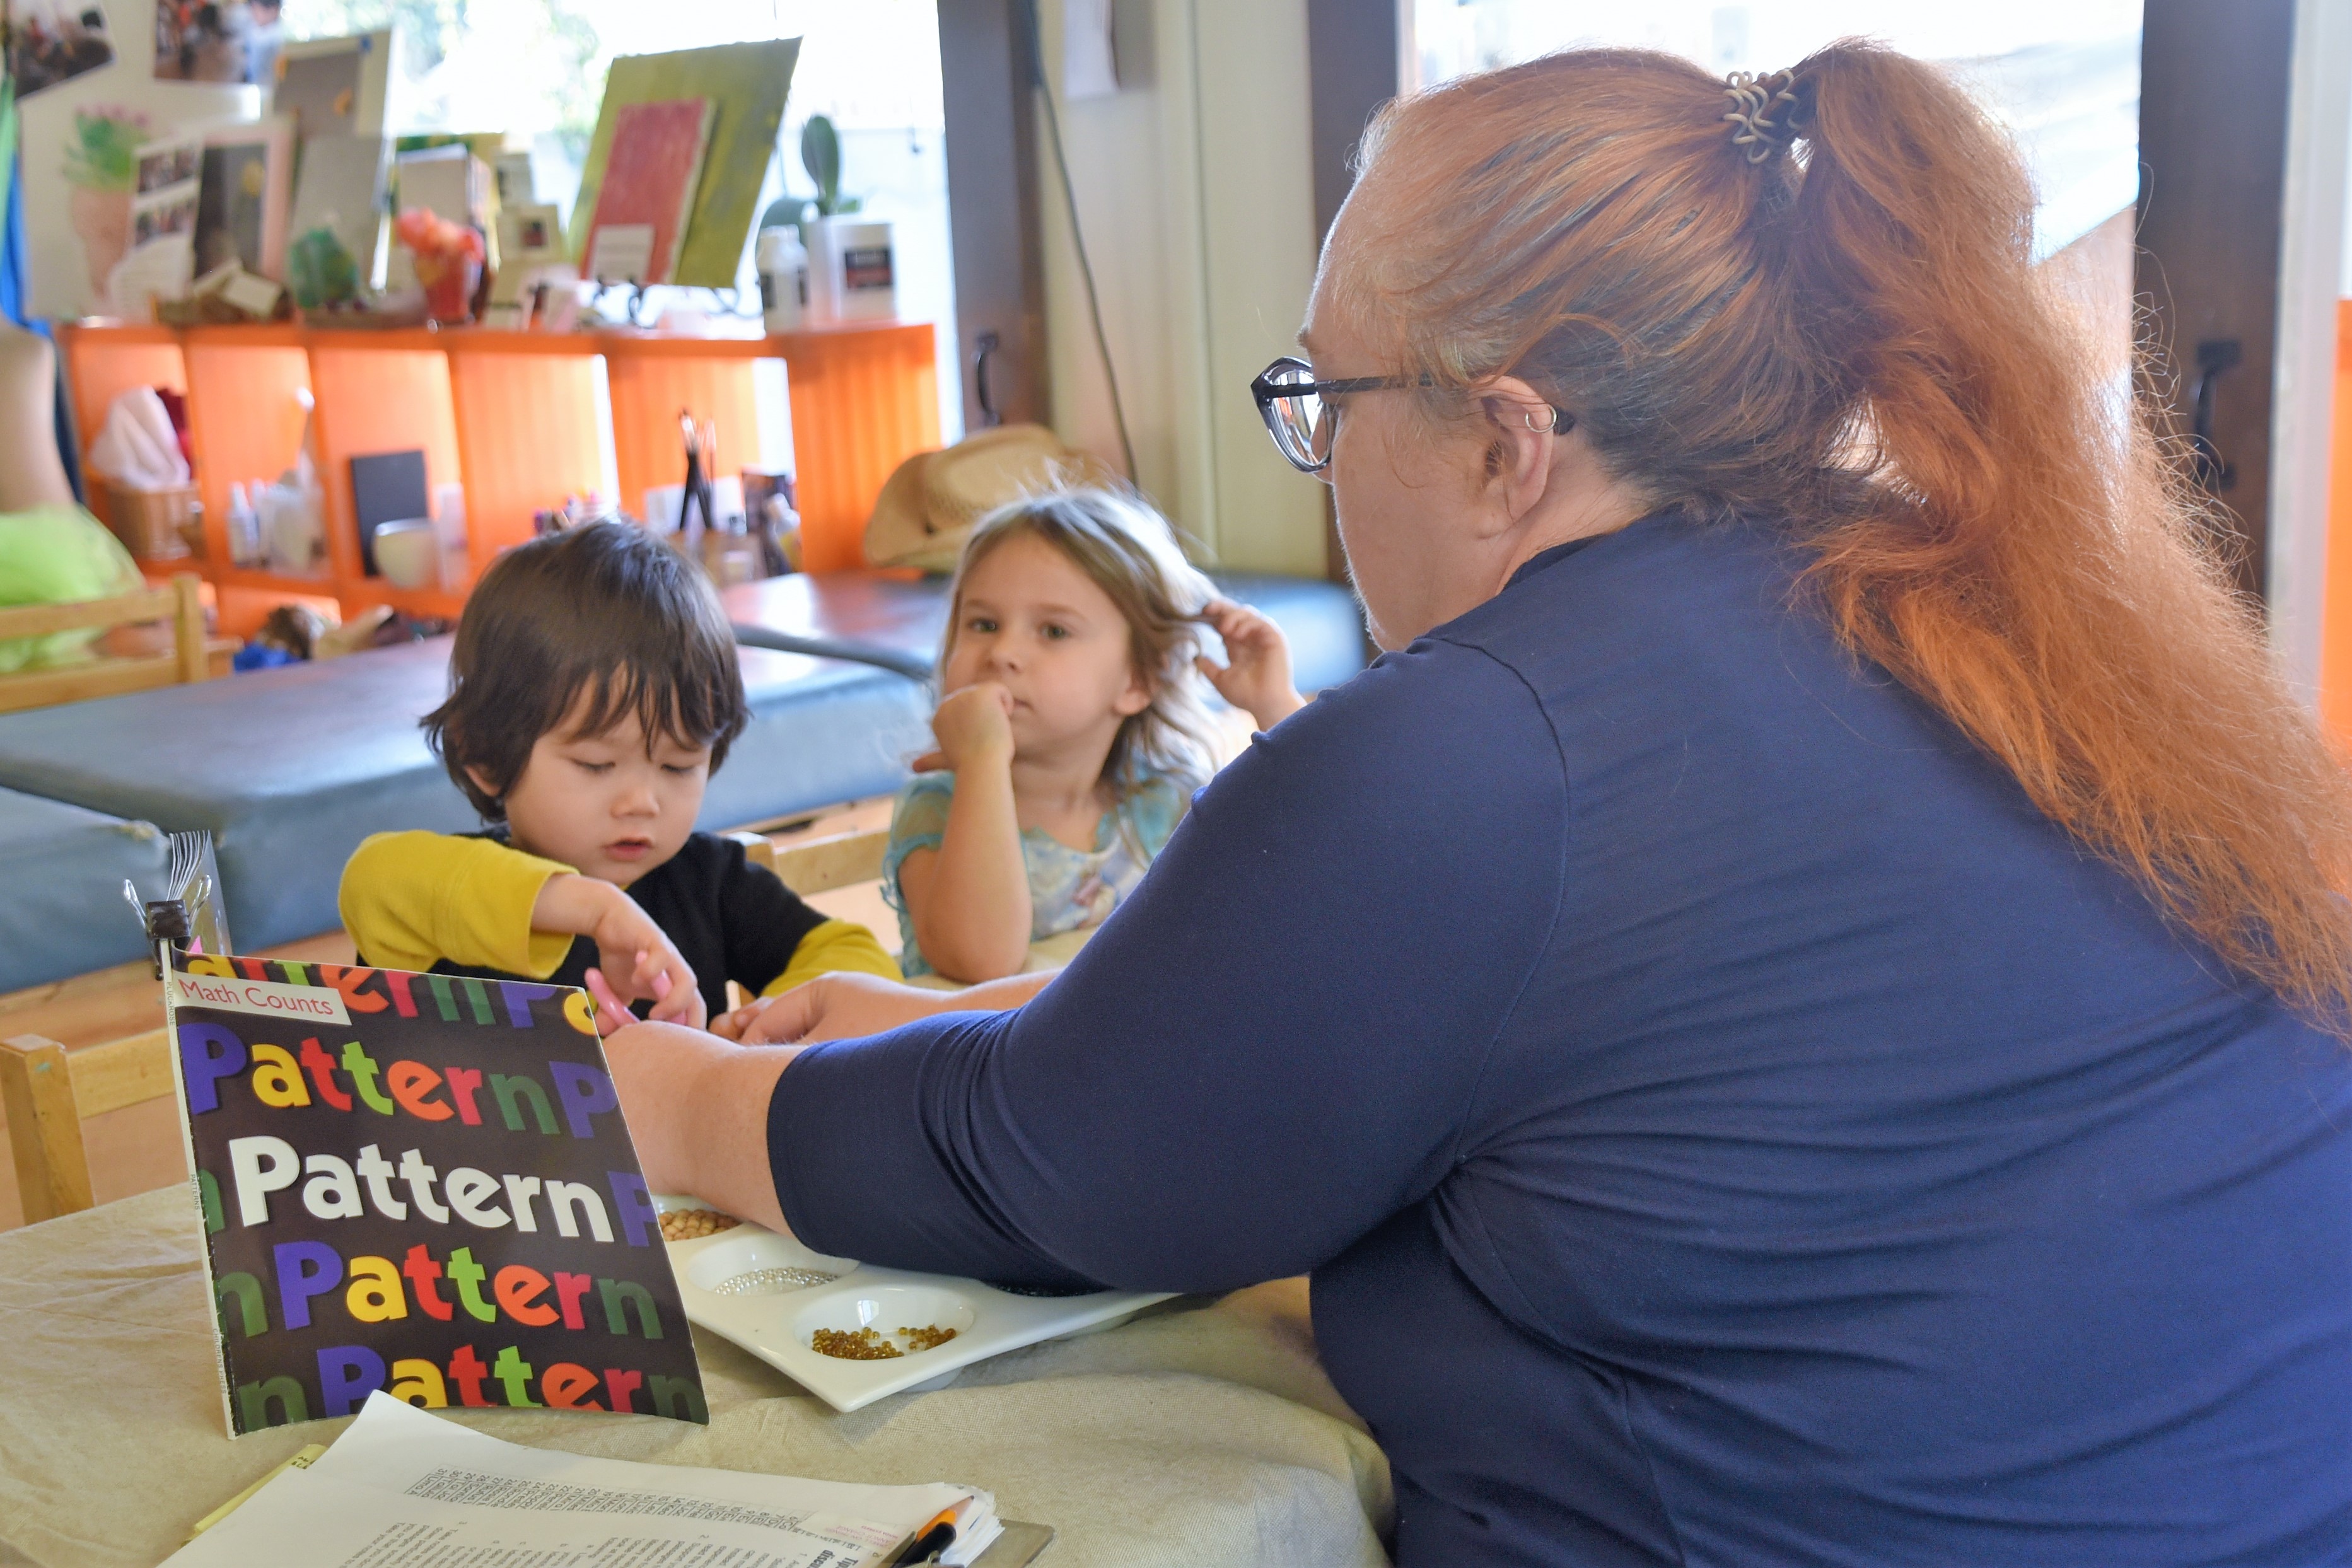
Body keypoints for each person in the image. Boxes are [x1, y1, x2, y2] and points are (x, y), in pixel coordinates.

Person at [604, 42, 2352, 1567]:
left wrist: (669, 1095)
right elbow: (1455, 1046)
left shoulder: (1475, 746)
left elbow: (1041, 1167)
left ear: (1507, 444)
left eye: (1320, 397)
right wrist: (984, 1015)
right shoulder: (1981, 627)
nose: (1318, 454)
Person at [339, 521, 898, 1031]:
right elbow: (373, 880)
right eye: (596, 764)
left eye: (678, 765)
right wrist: (594, 909)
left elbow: (852, 954)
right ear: (484, 756)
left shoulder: (709, 882)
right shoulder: (450, 895)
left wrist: (766, 1018)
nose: (641, 801)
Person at [882, 487, 1302, 981]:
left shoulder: (1165, 800)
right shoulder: (937, 806)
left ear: (1138, 679)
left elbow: (1302, 872)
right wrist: (982, 759)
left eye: (1053, 631)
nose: (1002, 653)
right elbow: (981, 962)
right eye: (984, 624)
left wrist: (1275, 705)